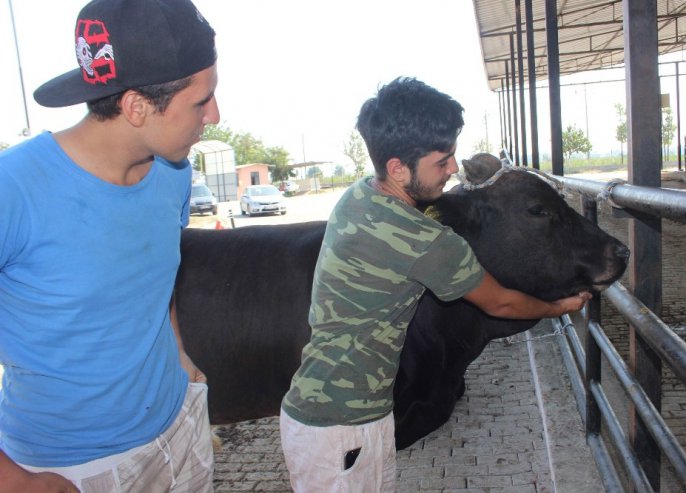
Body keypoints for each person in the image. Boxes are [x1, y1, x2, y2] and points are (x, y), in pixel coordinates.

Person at [279, 77, 592, 492]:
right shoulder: (424, 241)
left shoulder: (358, 196)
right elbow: (501, 304)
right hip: (345, 429)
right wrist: (560, 308)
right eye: (441, 161)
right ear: (397, 167)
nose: (452, 170)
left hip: (317, 415)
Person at [0, 0, 220, 491]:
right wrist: (16, 483)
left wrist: (180, 354)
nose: (216, 116)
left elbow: (152, 278)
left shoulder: (174, 174)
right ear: (137, 106)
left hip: (179, 427)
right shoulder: (13, 189)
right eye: (202, 101)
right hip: (74, 467)